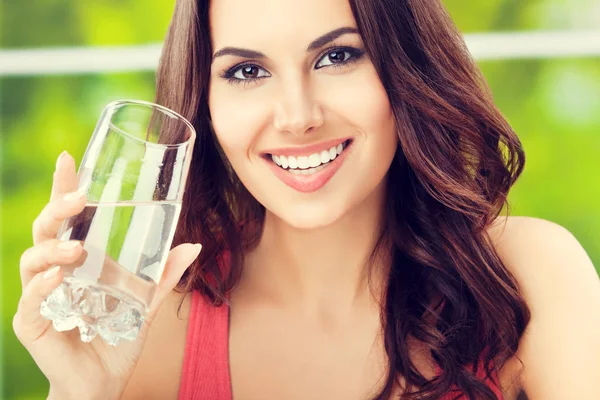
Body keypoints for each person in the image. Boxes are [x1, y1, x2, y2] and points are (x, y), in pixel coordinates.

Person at [13, 0, 600, 399]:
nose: (297, 117)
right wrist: (80, 392)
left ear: (405, 66)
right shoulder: (151, 322)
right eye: (246, 71)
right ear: (206, 101)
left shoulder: (527, 276)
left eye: (337, 56)